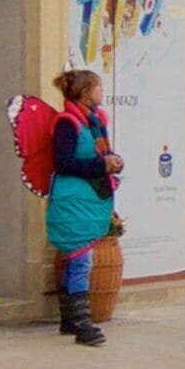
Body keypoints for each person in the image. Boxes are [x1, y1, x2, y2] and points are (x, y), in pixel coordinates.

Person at [45, 69, 123, 346]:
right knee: (80, 260)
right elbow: (63, 163)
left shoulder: (93, 122)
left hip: (87, 196)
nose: (102, 92)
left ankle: (68, 319)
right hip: (72, 199)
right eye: (98, 87)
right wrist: (102, 165)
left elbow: (96, 154)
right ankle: (82, 325)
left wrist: (112, 160)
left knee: (76, 257)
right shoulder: (67, 122)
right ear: (85, 91)